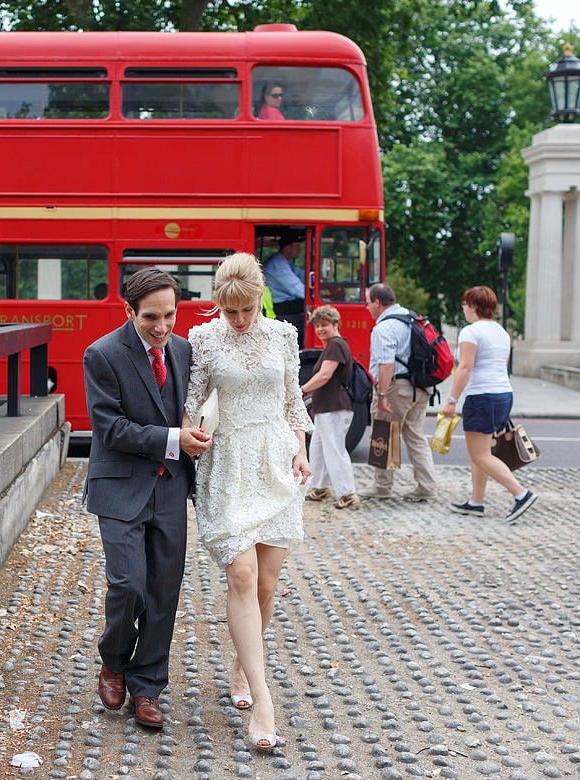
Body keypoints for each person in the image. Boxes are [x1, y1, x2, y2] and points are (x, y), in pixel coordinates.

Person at [185, 252, 312, 752]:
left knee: (266, 583)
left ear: (261, 297)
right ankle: (264, 701)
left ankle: (243, 664)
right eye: (229, 310)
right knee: (240, 574)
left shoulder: (283, 336)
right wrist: (191, 433)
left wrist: (301, 450)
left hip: (276, 460)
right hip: (229, 465)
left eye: (246, 309)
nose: (237, 321)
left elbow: (291, 399)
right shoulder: (204, 338)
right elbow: (194, 399)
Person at [83, 268, 213, 730]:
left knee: (163, 593)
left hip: (170, 487)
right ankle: (114, 659)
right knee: (128, 584)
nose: (162, 328)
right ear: (128, 311)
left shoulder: (183, 350)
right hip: (119, 487)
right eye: (151, 318)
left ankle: (147, 687)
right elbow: (110, 429)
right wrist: (176, 438)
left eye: (170, 316)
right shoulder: (101, 354)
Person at [441, 286, 538, 524]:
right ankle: (476, 501)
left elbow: (465, 367)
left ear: (473, 306)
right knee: (481, 453)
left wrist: (452, 400)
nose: (463, 308)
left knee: (480, 455)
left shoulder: (470, 332)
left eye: (464, 304)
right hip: (503, 394)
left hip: (481, 397)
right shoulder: (501, 332)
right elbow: (500, 365)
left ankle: (521, 494)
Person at [363, 283, 437, 500]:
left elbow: (386, 365)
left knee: (384, 435)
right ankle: (427, 486)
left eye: (368, 303)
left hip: (396, 388)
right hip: (421, 387)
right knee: (415, 437)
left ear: (377, 303)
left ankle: (382, 487)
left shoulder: (383, 327)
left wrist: (382, 394)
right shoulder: (412, 318)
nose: (367, 308)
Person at [299, 305, 359, 509]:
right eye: (317, 326)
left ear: (335, 325)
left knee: (334, 449)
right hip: (327, 407)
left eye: (324, 325)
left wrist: (302, 390)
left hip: (334, 406)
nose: (319, 329)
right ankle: (319, 487)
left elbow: (325, 375)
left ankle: (348, 493)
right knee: (317, 448)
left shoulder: (335, 345)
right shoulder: (335, 345)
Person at [262, 229, 307, 349]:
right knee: (308, 305)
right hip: (280, 305)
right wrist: (314, 297)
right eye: (298, 246)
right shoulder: (277, 264)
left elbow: (301, 275)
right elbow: (296, 288)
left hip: (286, 303)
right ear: (289, 247)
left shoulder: (283, 261)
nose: (300, 250)